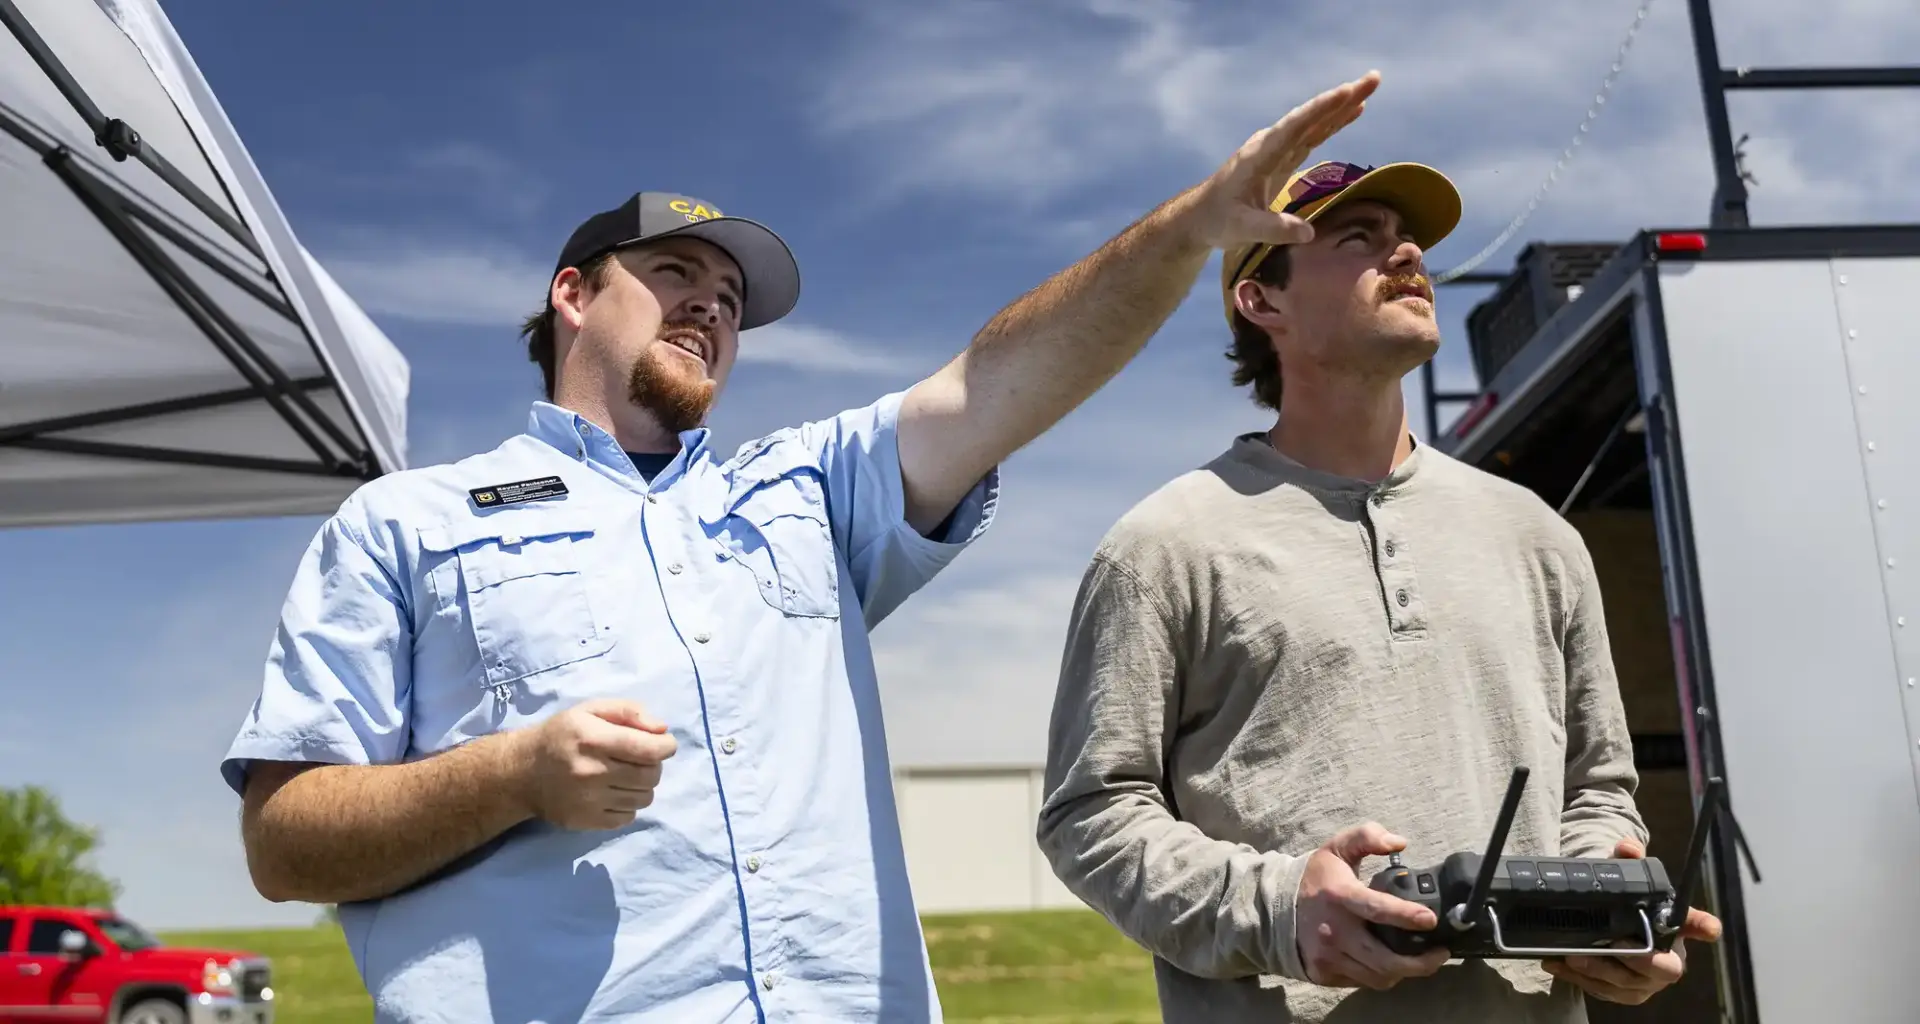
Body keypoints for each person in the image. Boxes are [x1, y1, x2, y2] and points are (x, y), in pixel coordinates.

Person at [219, 70, 1393, 1024]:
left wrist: (1190, 229)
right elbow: (284, 842)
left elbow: (1001, 381)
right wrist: (515, 774)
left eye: (731, 299)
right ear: (573, 294)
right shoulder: (407, 522)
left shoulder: (803, 492)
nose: (712, 306)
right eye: (675, 273)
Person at [1033, 158, 1724, 1023]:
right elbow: (1091, 815)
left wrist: (1600, 904)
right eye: (1358, 238)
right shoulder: (1163, 547)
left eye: (1409, 239)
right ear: (1263, 301)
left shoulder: (1539, 536)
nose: (1407, 255)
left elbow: (1596, 787)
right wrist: (1281, 910)